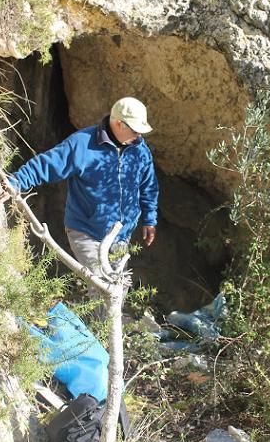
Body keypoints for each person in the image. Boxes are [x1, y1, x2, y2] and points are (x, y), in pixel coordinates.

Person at [9, 97, 159, 313]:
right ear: (118, 124)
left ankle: (106, 336)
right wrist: (15, 182)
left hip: (120, 236)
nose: (139, 135)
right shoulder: (82, 144)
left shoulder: (139, 150)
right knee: (104, 287)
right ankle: (103, 341)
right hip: (86, 231)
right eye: (135, 130)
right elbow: (48, 164)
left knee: (117, 290)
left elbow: (148, 185)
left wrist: (150, 219)